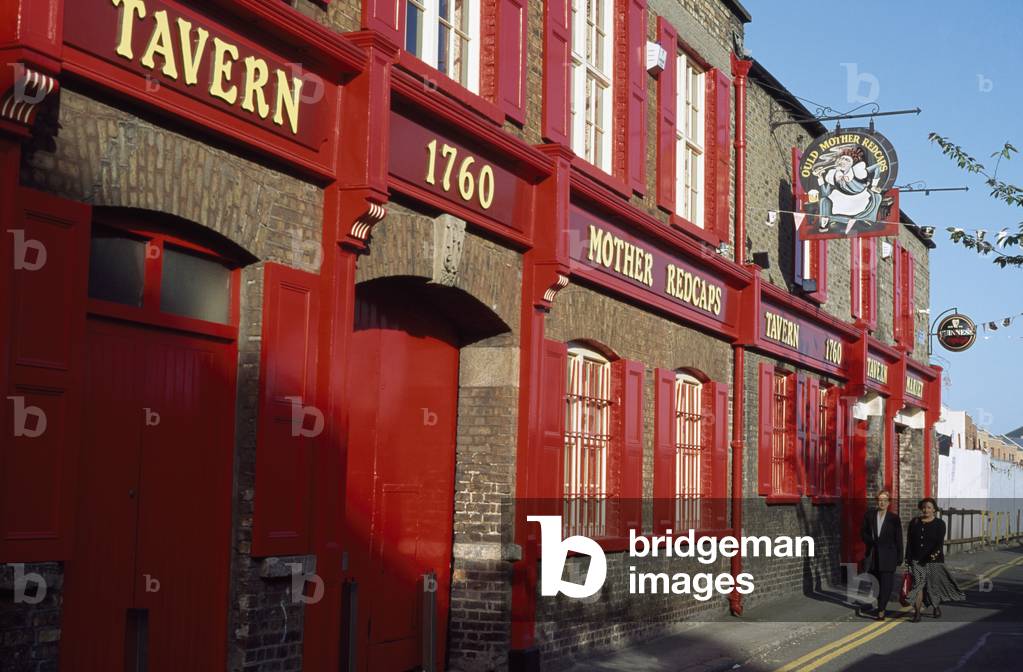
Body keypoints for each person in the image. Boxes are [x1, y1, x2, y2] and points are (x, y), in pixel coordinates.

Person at [905, 497, 965, 622]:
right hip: (917, 560)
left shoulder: (940, 524)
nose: (926, 510)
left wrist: (930, 557)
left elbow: (939, 544)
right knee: (918, 585)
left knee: (933, 586)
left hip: (934, 560)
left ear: (934, 510)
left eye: (929, 507)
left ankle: (936, 606)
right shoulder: (914, 522)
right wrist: (908, 558)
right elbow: (910, 542)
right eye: (924, 507)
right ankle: (917, 612)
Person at [859, 489, 903, 620]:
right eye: (880, 500)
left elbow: (898, 538)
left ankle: (881, 609)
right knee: (876, 583)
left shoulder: (894, 518)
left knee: (886, 584)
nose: (882, 503)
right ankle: (880, 604)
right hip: (873, 555)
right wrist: (870, 541)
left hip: (889, 555)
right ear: (877, 502)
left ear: (889, 502)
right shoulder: (869, 515)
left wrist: (900, 557)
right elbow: (863, 533)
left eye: (885, 500)